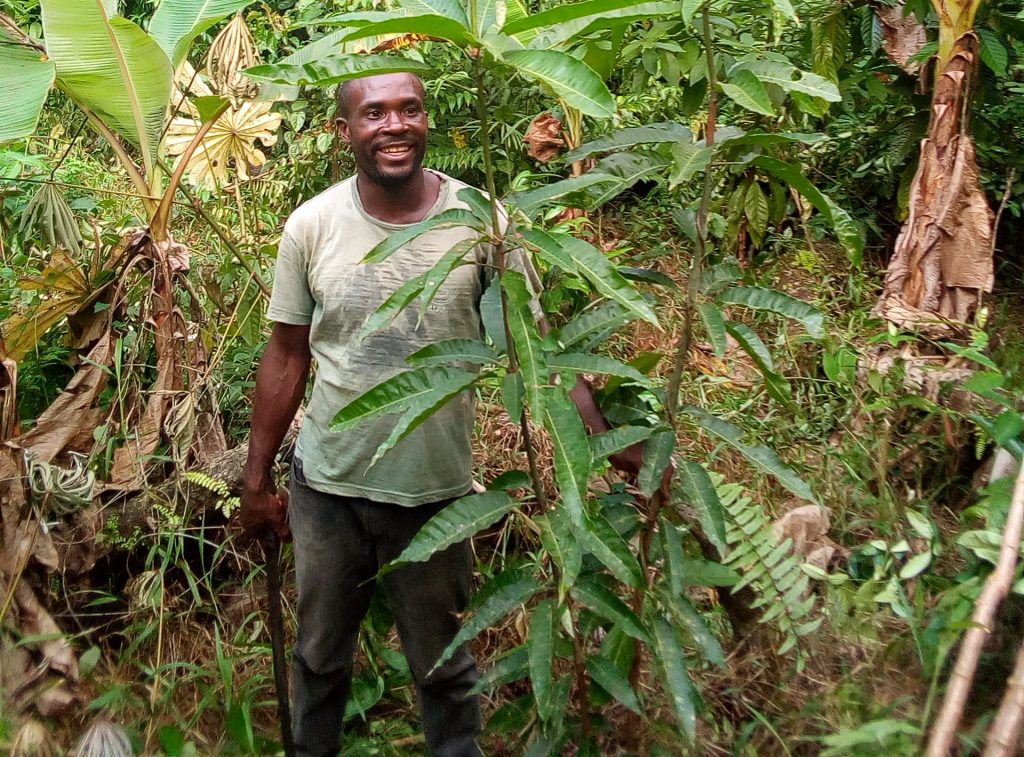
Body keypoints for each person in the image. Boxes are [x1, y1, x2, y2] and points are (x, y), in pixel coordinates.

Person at [240, 72, 650, 757]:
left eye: (409, 109)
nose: (394, 124)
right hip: (328, 491)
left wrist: (604, 447)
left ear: (428, 120)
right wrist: (257, 480)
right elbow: (286, 354)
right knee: (317, 659)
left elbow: (536, 342)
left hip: (433, 497)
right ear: (345, 132)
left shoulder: (483, 222)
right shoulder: (311, 226)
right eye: (374, 114)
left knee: (445, 670)